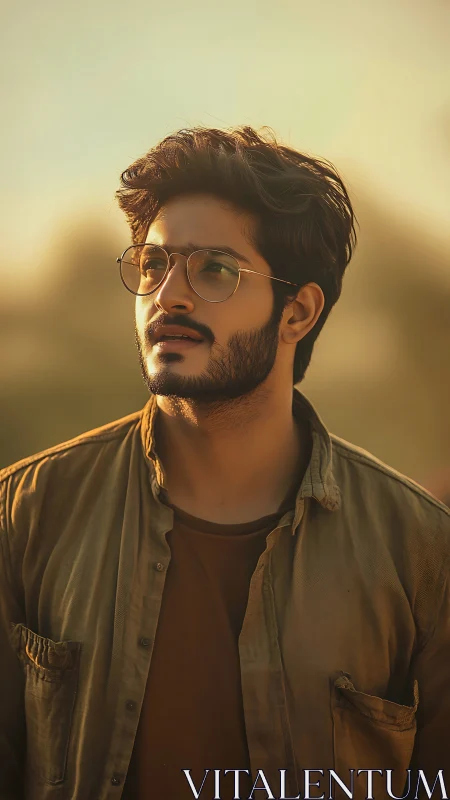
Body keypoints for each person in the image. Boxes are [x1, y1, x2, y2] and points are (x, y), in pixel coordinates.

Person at [1, 126, 449, 800]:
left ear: (296, 312)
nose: (168, 295)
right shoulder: (26, 514)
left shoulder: (418, 546)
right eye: (153, 265)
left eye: (213, 269)